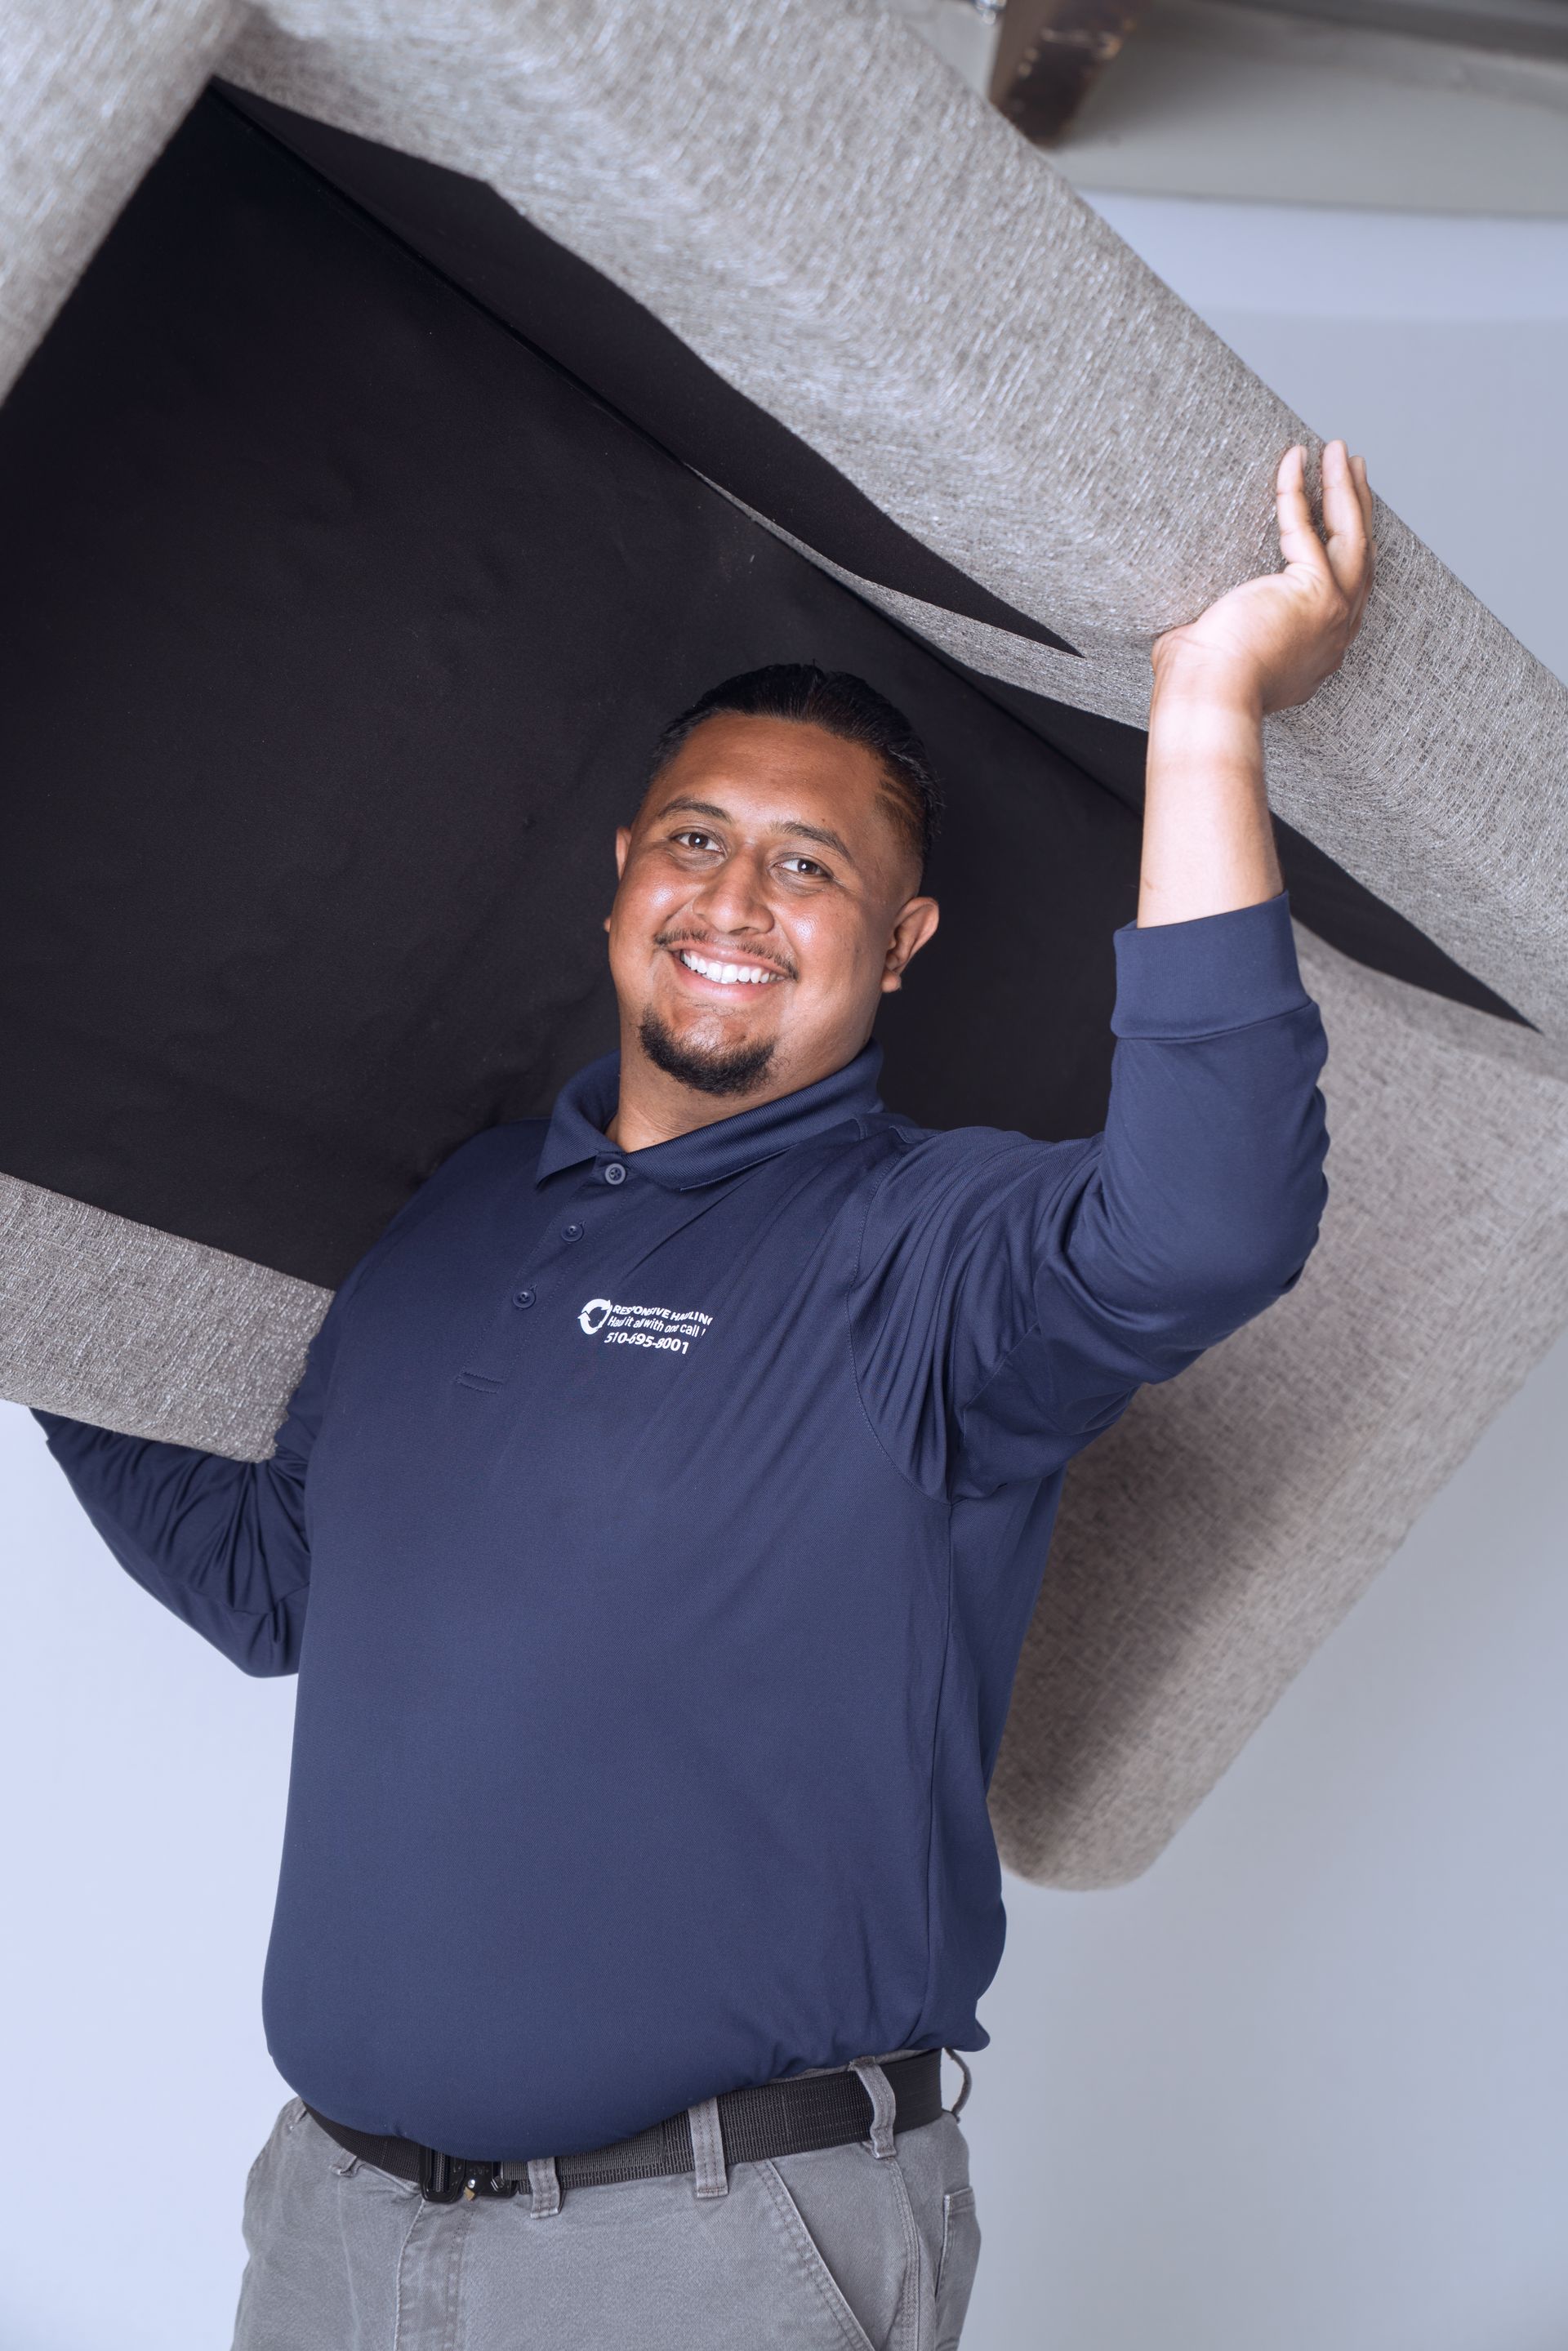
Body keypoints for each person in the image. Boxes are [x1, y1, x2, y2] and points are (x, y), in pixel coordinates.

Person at [34, 440, 1372, 2349]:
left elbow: (1210, 1220)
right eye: (698, 838)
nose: (737, 897)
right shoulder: (464, 1211)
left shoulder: (932, 1249)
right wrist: (32, 1303)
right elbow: (276, 1583)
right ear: (620, 881)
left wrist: (1210, 707)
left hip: (710, 2259)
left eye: (809, 866)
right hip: (331, 2235)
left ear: (898, 947)